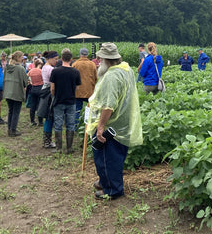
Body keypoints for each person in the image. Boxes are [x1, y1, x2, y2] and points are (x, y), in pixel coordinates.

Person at [87, 42, 143, 200]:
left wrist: (100, 126)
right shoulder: (126, 69)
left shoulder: (112, 76)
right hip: (123, 122)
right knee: (114, 156)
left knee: (107, 157)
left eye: (100, 60)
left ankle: (113, 189)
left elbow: (109, 105)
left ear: (106, 60)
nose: (99, 62)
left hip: (112, 124)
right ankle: (105, 181)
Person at [50, 48, 81, 153]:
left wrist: (55, 96)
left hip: (58, 100)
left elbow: (52, 88)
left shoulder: (55, 71)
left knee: (58, 123)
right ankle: (69, 147)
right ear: (71, 59)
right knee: (70, 123)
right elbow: (77, 88)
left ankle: (59, 148)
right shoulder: (76, 72)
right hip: (71, 101)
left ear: (61, 58)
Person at [3, 51, 29, 137]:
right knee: (16, 112)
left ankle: (9, 129)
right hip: (17, 92)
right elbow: (25, 81)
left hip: (7, 92)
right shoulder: (20, 68)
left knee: (10, 111)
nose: (23, 58)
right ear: (18, 58)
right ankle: (13, 130)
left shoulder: (7, 67)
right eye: (22, 57)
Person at [73, 48, 98, 128]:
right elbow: (96, 78)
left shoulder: (75, 64)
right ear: (87, 55)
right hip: (90, 91)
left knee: (77, 109)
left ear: (80, 55)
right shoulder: (92, 64)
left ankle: (76, 126)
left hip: (78, 91)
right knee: (91, 110)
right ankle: (89, 125)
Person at [40, 51, 58, 148]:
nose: (56, 60)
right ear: (50, 58)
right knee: (50, 117)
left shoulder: (44, 67)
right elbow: (53, 86)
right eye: (55, 59)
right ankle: (48, 141)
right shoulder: (51, 69)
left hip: (44, 90)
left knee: (48, 117)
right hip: (49, 94)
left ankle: (46, 140)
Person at [27, 59, 44, 126]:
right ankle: (40, 121)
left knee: (33, 105)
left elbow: (28, 78)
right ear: (39, 64)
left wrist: (31, 82)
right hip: (40, 88)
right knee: (40, 105)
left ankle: (32, 120)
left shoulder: (31, 71)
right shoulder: (41, 71)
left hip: (33, 88)